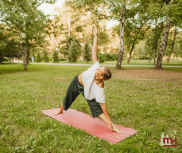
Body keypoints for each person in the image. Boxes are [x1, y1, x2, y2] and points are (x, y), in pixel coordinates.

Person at [55, 25, 123, 135]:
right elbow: (94, 52)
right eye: (100, 67)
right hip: (77, 82)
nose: (98, 68)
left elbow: (103, 105)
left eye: (99, 70)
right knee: (68, 97)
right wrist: (96, 36)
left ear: (101, 77)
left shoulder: (100, 86)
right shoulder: (96, 66)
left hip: (88, 91)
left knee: (96, 107)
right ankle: (61, 109)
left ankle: (111, 125)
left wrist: (109, 120)